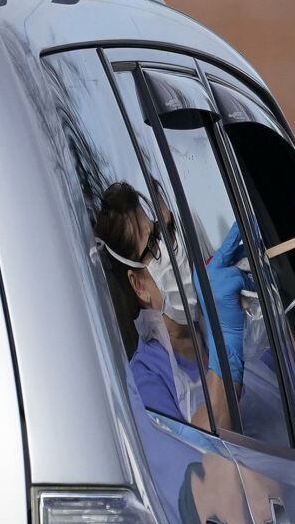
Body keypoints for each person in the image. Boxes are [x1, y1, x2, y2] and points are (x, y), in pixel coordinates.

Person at [94, 181, 245, 430]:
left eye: (169, 230)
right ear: (139, 286)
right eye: (154, 242)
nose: (174, 248)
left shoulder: (220, 320)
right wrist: (228, 354)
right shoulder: (145, 380)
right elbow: (200, 462)